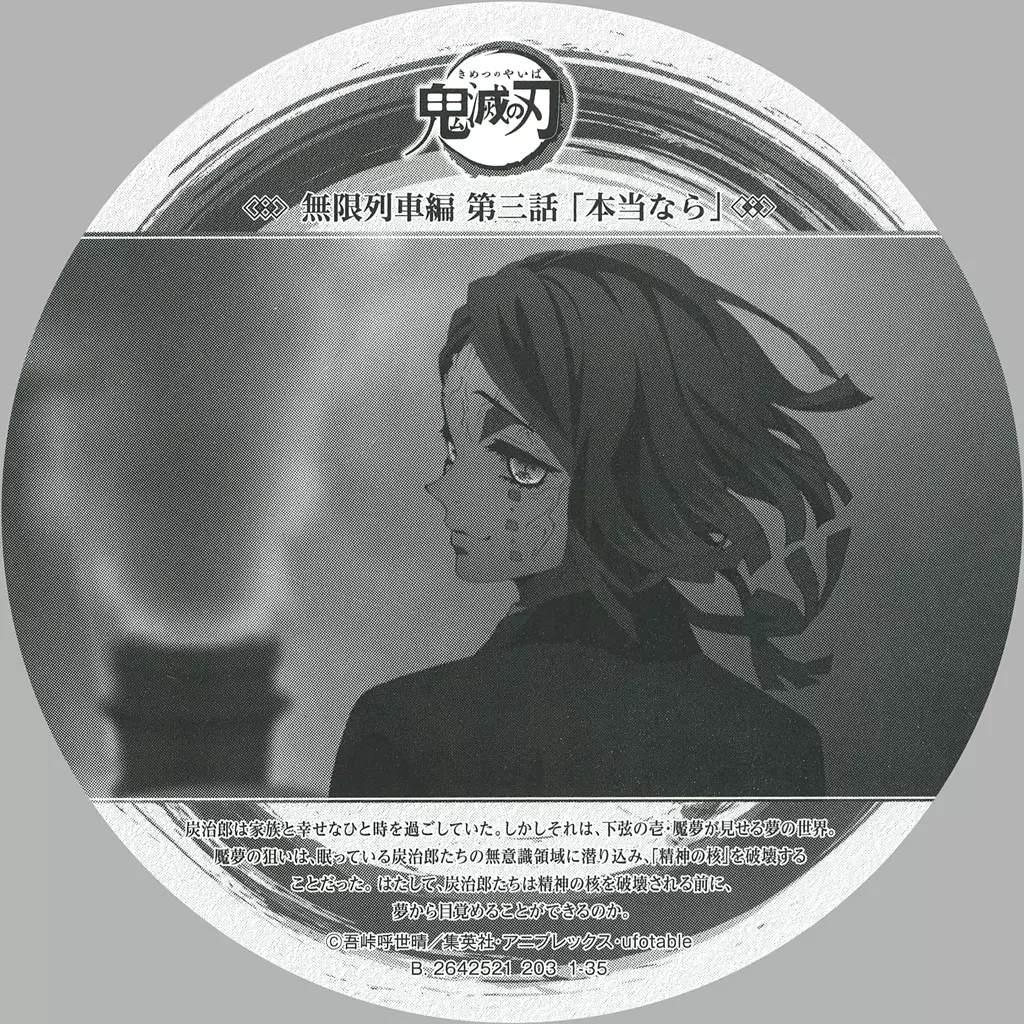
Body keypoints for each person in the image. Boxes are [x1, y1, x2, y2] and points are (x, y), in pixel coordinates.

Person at [330, 243, 869, 797]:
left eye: (520, 466)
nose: (447, 493)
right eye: (453, 449)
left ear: (631, 472)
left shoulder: (402, 731)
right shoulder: (775, 743)